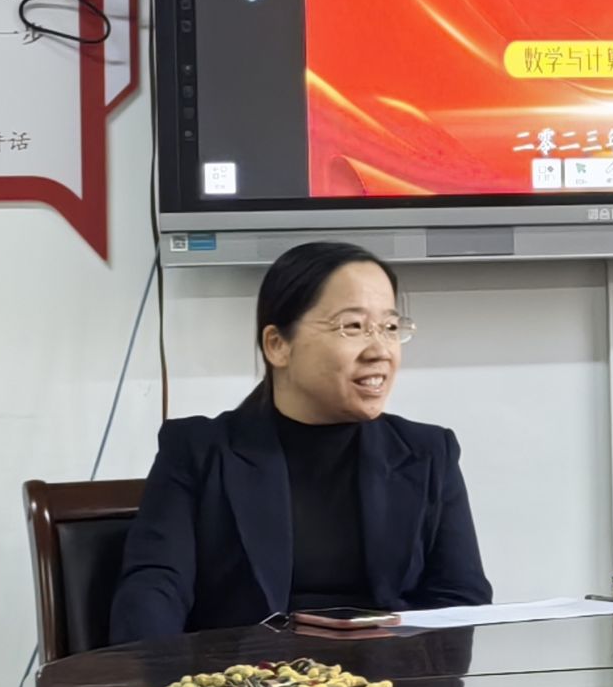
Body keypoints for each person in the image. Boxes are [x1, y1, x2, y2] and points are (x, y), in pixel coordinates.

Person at [111, 243, 491, 644]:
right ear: (277, 345)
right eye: (353, 327)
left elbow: (460, 601)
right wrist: (163, 678)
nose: (380, 350)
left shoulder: (428, 453)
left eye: (390, 328)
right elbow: (154, 591)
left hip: (390, 678)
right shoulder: (198, 451)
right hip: (246, 679)